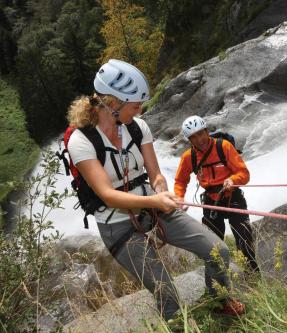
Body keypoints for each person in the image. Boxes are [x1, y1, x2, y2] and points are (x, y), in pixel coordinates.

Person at [66, 59, 244, 321]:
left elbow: (156, 174)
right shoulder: (81, 142)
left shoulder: (137, 128)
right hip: (117, 224)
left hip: (153, 207)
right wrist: (156, 200)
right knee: (167, 292)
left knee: (219, 252)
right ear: (113, 103)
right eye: (135, 105)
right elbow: (107, 194)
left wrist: (164, 191)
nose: (139, 111)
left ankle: (219, 301)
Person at [174, 116, 259, 272]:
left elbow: (244, 173)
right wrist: (179, 197)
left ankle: (254, 278)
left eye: (200, 134)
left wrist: (233, 180)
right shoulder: (189, 157)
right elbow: (180, 181)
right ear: (189, 140)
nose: (199, 139)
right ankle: (219, 282)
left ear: (207, 131)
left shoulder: (223, 147)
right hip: (210, 201)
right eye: (193, 137)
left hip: (232, 197)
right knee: (212, 246)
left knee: (244, 242)